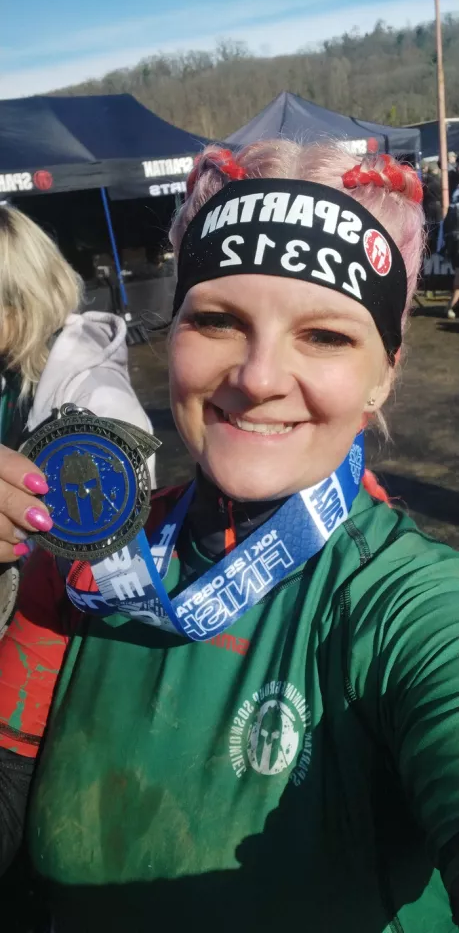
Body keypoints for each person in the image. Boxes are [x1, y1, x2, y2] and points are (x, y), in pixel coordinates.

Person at [1, 141, 459, 933]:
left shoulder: (406, 602)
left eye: (324, 336)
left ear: (385, 372)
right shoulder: (87, 557)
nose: (257, 378)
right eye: (216, 321)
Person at [0, 205, 156, 633]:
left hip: (60, 627)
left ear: (21, 300)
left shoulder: (99, 401)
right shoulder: (13, 374)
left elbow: (118, 559)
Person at [444, 187, 459, 318]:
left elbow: (445, 227)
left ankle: (451, 306)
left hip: (453, 245)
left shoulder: (452, 207)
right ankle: (451, 307)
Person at [422, 162, 443, 255]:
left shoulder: (425, 181)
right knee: (438, 229)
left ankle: (429, 250)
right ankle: (436, 250)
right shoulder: (438, 181)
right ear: (435, 170)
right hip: (437, 208)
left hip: (427, 207)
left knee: (430, 229)